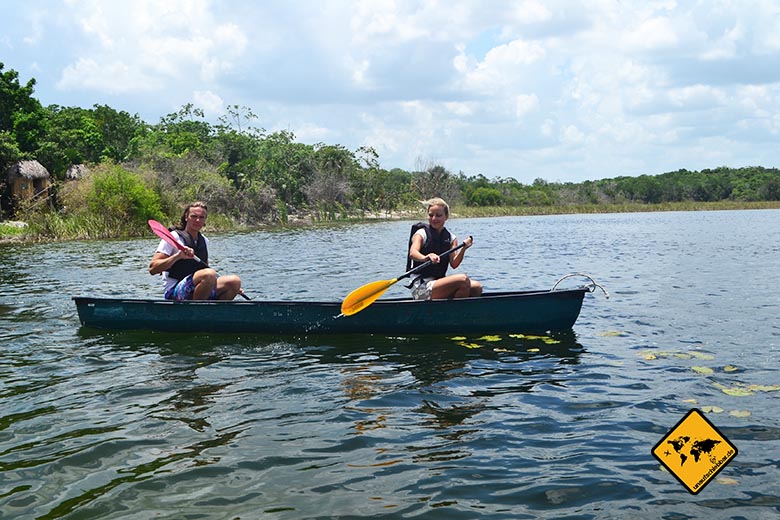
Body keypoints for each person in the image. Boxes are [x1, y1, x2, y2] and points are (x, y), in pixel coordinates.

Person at [149, 202, 243, 300]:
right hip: (174, 291)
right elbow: (152, 269)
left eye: (201, 217)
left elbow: (205, 270)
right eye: (194, 216)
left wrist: (234, 288)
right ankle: (197, 312)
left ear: (205, 220)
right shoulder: (174, 237)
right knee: (208, 274)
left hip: (198, 287)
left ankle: (215, 313)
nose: (197, 220)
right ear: (186, 217)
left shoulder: (204, 241)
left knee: (234, 282)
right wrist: (178, 256)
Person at [407, 197, 483, 300]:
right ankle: (454, 314)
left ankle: (457, 312)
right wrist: (426, 257)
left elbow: (454, 264)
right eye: (431, 215)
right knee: (463, 279)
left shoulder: (451, 238)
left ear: (446, 217)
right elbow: (413, 253)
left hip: (438, 283)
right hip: (421, 287)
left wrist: (463, 249)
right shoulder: (421, 233)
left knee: (477, 287)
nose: (434, 219)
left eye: (438, 215)